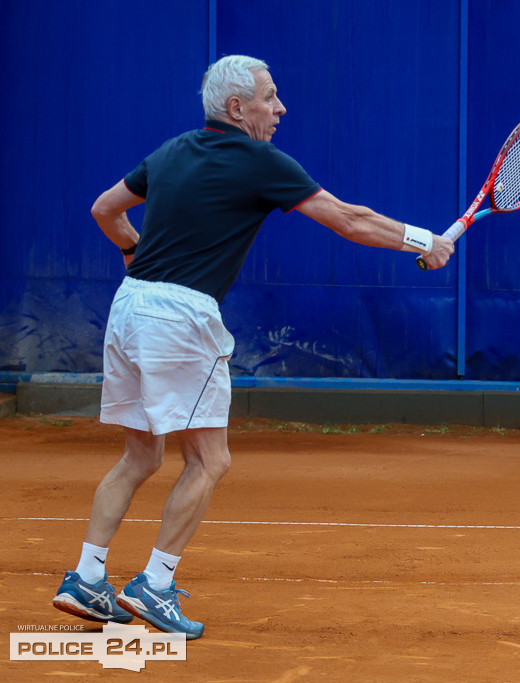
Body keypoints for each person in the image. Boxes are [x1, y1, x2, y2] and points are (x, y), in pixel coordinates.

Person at [51, 55, 454, 640]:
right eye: (270, 97)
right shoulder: (260, 161)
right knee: (209, 460)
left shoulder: (170, 151)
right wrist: (425, 240)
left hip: (129, 308)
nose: (280, 108)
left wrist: (135, 255)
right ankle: (155, 586)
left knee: (141, 455)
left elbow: (105, 210)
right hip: (181, 318)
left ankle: (86, 579)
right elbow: (347, 219)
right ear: (237, 108)